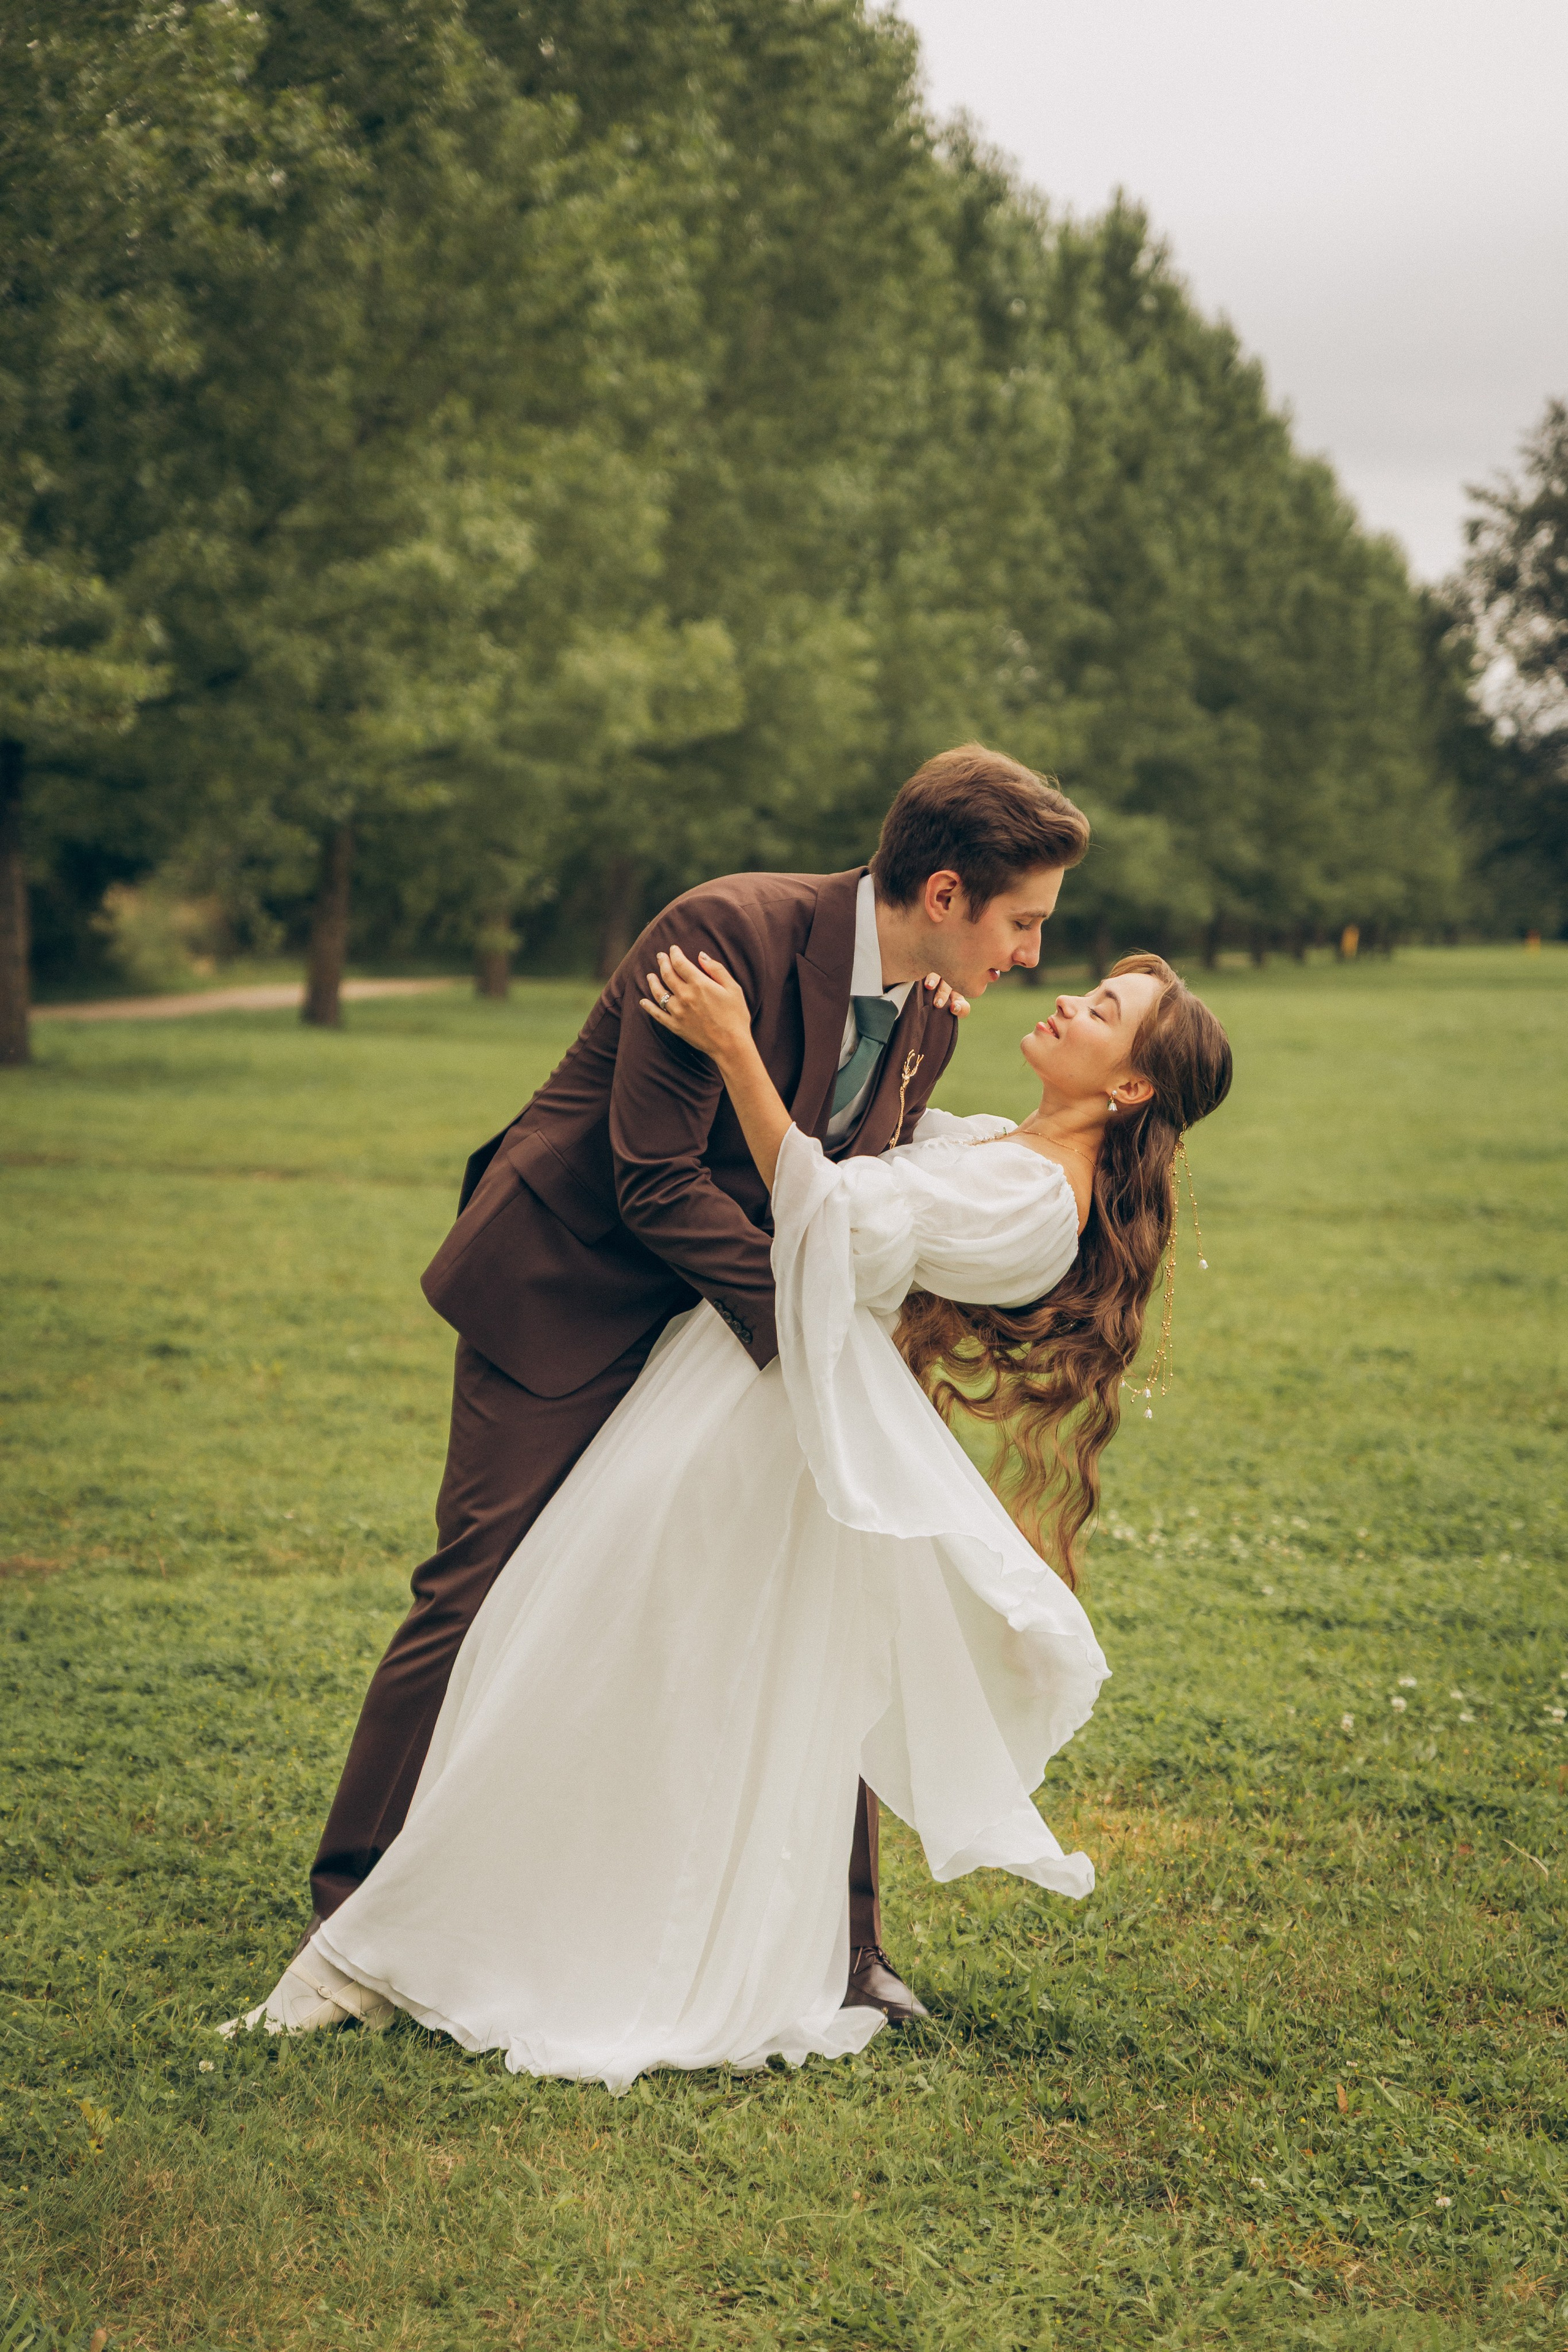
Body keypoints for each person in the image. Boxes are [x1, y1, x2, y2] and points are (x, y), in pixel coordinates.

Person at [223, 939, 1231, 2086]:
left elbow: (827, 1206)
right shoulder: (1006, 1146)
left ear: (1131, 1084)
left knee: (606, 1643)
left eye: (1102, 1009)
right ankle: (479, 1907)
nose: (1065, 996)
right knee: (598, 1636)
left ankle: (483, 1929)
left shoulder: (1038, 1201)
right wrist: (912, 1027)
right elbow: (878, 1139)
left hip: (760, 1422)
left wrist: (736, 1049)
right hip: (737, 1378)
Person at [287, 745, 1091, 2028]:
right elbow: (654, 1178)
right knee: (475, 1584)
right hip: (570, 1289)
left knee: (816, 1597)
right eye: (1023, 922)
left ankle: (844, 1948)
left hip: (709, 1343)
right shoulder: (725, 935)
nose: (1032, 954)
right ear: (945, 895)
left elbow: (834, 1191)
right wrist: (807, 1336)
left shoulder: (932, 1012)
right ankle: (352, 1920)